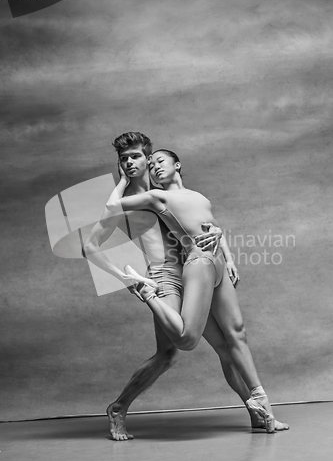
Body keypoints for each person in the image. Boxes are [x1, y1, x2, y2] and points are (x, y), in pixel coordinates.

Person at [106, 146, 289, 434]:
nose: (154, 168)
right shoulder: (156, 198)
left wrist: (229, 259)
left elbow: (213, 226)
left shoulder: (200, 197)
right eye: (150, 165)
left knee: (236, 336)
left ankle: (262, 412)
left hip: (215, 262)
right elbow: (112, 208)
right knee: (183, 343)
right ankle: (146, 292)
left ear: (178, 165)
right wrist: (123, 180)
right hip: (192, 265)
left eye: (160, 162)